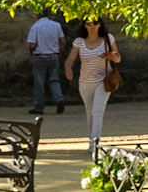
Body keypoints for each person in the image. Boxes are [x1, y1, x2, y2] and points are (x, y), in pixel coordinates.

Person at [64, 17, 121, 156]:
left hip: (103, 81)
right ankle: (91, 139)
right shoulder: (79, 42)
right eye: (88, 24)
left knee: (97, 111)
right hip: (85, 83)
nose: (92, 26)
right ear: (84, 25)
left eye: (95, 23)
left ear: (100, 24)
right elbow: (70, 59)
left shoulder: (108, 38)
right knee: (90, 112)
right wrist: (68, 69)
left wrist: (110, 56)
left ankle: (95, 144)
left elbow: (118, 57)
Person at [26, 11, 66, 116]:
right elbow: (63, 41)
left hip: (40, 56)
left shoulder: (36, 26)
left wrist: (32, 54)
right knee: (54, 80)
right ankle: (59, 98)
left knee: (39, 83)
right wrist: (60, 53)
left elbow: (32, 45)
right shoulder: (56, 25)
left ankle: (39, 107)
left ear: (38, 15)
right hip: (54, 55)